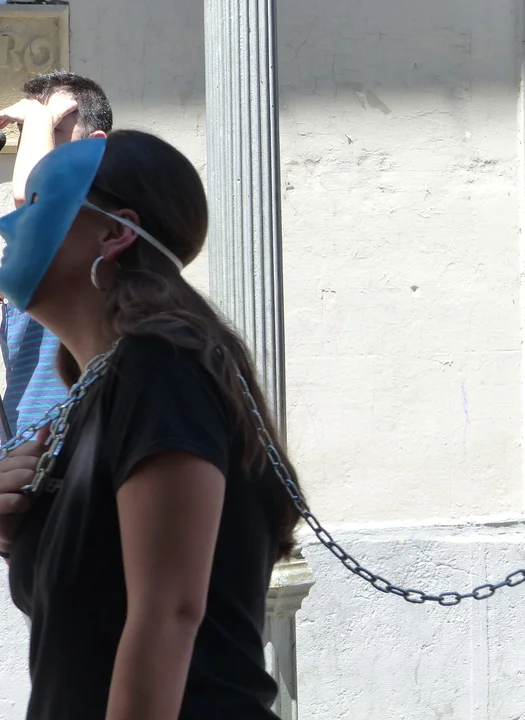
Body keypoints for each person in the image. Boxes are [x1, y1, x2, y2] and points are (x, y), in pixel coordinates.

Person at [0, 130, 302, 719]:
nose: (11, 224)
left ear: (114, 233)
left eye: (36, 201)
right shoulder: (101, 389)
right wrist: (22, 535)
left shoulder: (162, 365)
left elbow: (170, 613)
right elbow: (96, 616)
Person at [0, 72, 113, 439]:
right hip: (23, 444)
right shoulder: (28, 245)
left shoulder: (98, 223)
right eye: (30, 133)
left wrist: (35, 115)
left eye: (52, 129)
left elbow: (34, 197)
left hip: (81, 443)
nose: (35, 139)